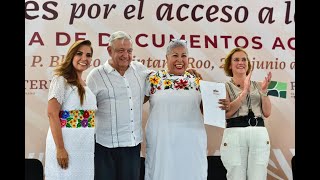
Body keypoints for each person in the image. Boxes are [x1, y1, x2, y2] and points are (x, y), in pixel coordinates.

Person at [86, 31, 203, 180]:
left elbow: (167, 79)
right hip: (104, 145)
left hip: (131, 145)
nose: (125, 55)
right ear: (110, 51)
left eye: (129, 51)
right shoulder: (96, 76)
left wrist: (186, 73)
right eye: (120, 50)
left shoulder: (140, 70)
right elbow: (87, 110)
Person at [143, 39, 228, 180]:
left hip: (191, 141)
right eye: (175, 55)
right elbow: (134, 103)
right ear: (167, 58)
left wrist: (220, 106)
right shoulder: (153, 79)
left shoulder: (196, 81)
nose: (180, 60)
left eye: (184, 55)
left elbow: (207, 112)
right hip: (162, 142)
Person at [44, 39, 97, 180]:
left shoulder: (85, 84)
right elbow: (52, 113)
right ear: (71, 55)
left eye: (88, 55)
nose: (84, 58)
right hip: (67, 144)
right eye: (79, 54)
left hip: (84, 146)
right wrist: (60, 148)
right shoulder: (61, 79)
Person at [220, 47, 272, 180]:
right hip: (235, 133)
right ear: (230, 65)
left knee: (258, 176)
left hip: (258, 132)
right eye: (236, 59)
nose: (241, 62)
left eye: (244, 59)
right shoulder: (223, 86)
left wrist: (264, 92)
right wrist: (244, 92)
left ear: (248, 64)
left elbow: (267, 112)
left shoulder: (260, 85)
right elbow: (228, 113)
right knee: (236, 175)